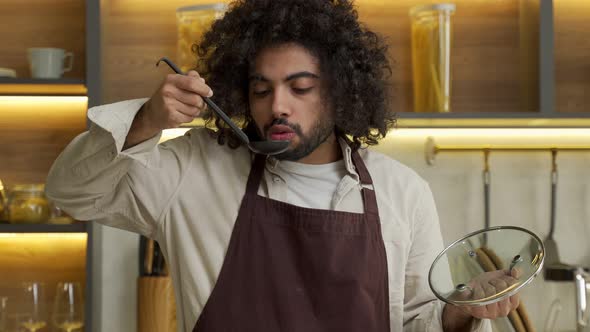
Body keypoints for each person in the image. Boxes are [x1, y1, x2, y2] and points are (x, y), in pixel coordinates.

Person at [46, 0, 520, 331]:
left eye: (300, 86)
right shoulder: (195, 168)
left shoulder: (402, 192)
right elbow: (71, 192)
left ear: (339, 90)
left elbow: (415, 321)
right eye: (262, 89)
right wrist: (147, 120)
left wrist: (460, 311)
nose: (278, 106)